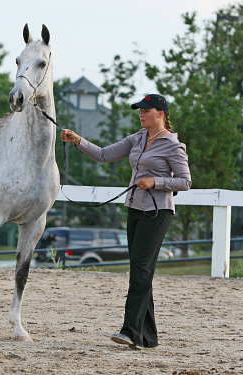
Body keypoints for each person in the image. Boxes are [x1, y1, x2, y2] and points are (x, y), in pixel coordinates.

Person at [61, 94, 191, 350]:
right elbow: (102, 154)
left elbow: (185, 181)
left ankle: (130, 331)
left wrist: (156, 181)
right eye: (139, 111)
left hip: (157, 212)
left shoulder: (173, 146)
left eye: (146, 110)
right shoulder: (137, 138)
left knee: (140, 271)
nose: (141, 114)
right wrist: (78, 140)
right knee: (141, 271)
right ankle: (149, 337)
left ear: (161, 114)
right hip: (134, 208)